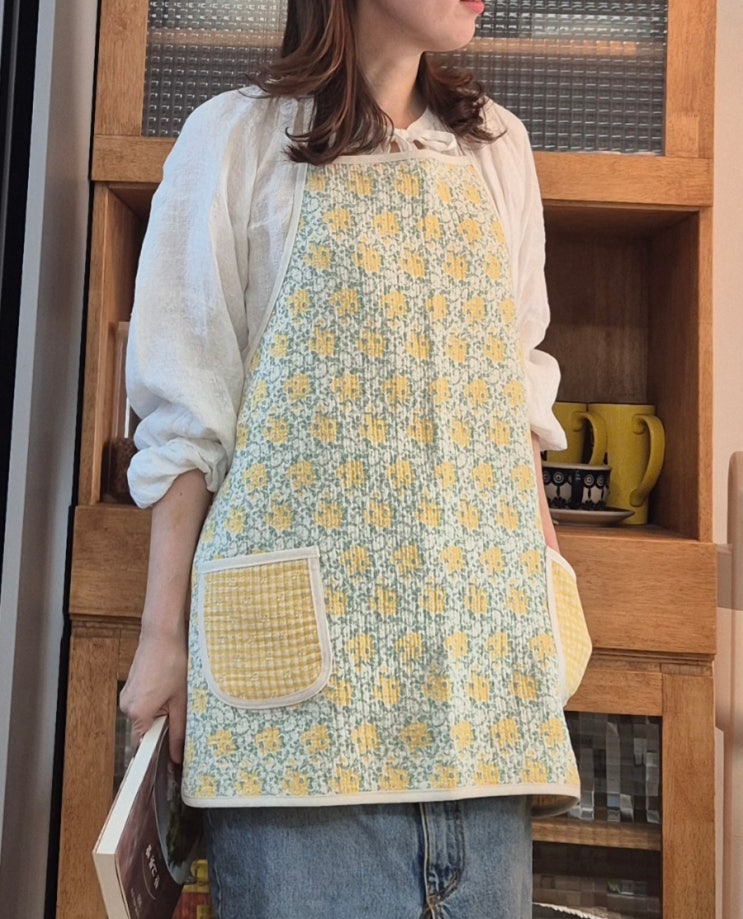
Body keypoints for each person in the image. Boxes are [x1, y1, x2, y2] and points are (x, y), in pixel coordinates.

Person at [121, 1, 590, 916]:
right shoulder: (234, 139)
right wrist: (160, 639)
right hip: (302, 730)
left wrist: (547, 591)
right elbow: (185, 417)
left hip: (481, 697)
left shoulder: (496, 148)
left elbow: (515, 403)